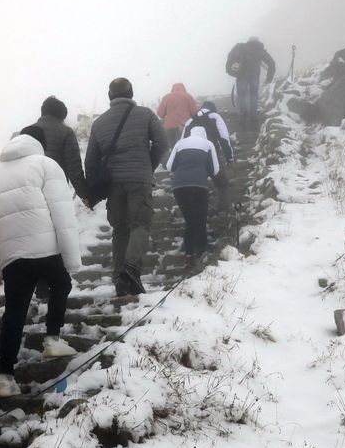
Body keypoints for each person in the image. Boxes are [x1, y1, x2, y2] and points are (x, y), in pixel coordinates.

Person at [0, 125, 82, 397]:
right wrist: (71, 258)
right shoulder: (46, 164)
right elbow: (61, 212)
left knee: (14, 313)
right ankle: (52, 339)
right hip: (45, 247)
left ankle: (4, 377)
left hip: (12, 255)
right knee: (61, 284)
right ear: (40, 143)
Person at [84, 77, 168, 296]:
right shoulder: (146, 114)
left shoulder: (99, 123)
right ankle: (131, 267)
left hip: (113, 183)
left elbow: (90, 161)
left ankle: (119, 279)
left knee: (119, 230)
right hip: (139, 179)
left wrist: (91, 188)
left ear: (110, 96)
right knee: (140, 224)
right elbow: (162, 143)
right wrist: (148, 164)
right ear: (131, 94)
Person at [166, 120, 221, 267]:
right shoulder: (208, 144)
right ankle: (201, 251)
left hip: (179, 187)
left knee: (190, 220)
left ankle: (189, 254)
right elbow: (215, 170)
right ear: (204, 134)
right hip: (199, 185)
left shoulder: (180, 144)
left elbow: (169, 166)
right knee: (200, 219)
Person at [32, 96, 88, 200]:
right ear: (62, 116)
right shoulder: (66, 132)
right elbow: (74, 169)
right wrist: (85, 195)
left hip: (30, 193)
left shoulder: (26, 132)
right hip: (55, 194)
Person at [185, 101, 235, 214]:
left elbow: (183, 141)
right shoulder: (215, 116)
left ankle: (199, 209)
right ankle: (224, 206)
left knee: (198, 183)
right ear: (213, 108)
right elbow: (224, 138)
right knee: (221, 181)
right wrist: (229, 157)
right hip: (212, 155)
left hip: (193, 156)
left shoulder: (190, 120)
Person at [225, 36, 275, 127]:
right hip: (254, 76)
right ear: (257, 41)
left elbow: (230, 57)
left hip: (241, 75)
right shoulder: (260, 50)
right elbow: (272, 63)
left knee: (241, 96)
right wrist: (269, 79)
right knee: (254, 96)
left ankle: (243, 116)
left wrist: (230, 71)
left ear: (248, 41)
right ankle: (253, 118)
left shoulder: (240, 47)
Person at [156, 82, 198, 149]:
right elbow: (195, 113)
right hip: (184, 126)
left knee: (173, 149)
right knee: (185, 147)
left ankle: (174, 158)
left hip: (169, 128)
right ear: (183, 88)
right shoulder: (188, 96)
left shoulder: (166, 97)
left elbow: (160, 114)